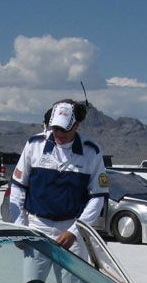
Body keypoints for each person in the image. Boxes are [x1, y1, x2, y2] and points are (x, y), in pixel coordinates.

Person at [8, 99, 109, 266]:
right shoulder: (34, 145)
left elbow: (98, 197)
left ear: (76, 125)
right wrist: (20, 228)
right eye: (55, 128)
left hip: (72, 229)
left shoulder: (92, 151)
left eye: (64, 129)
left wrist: (74, 232)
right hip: (37, 228)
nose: (59, 134)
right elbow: (18, 187)